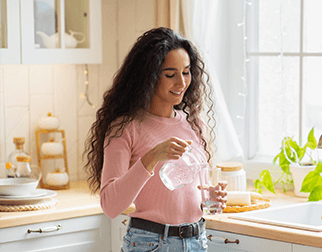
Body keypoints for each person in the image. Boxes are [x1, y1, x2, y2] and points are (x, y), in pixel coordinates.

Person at [84, 27, 227, 251]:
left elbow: (189, 192)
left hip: (197, 241)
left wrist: (211, 197)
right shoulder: (125, 128)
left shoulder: (195, 124)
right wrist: (152, 156)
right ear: (148, 77)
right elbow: (110, 206)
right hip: (150, 243)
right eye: (170, 74)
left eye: (186, 72)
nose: (181, 83)